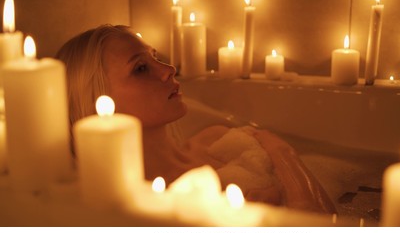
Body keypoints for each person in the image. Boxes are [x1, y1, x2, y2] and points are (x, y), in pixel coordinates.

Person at [56, 24, 336, 214]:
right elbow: (320, 229)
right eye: (141, 68)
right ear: (101, 104)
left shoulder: (218, 140)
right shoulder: (155, 202)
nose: (169, 69)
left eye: (155, 58)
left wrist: (278, 149)